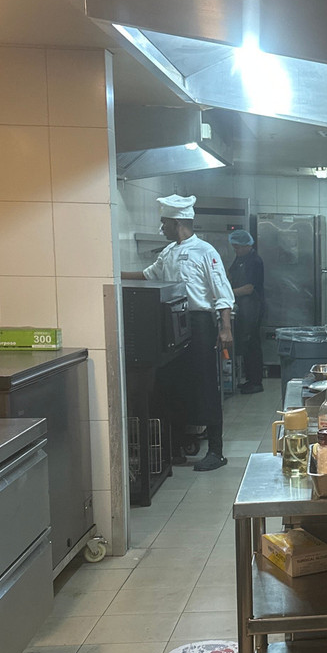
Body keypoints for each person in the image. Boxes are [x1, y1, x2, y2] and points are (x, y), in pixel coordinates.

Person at [122, 195, 235, 472]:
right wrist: (114, 275)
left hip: (199, 322)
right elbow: (148, 275)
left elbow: (222, 291)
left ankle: (216, 451)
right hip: (173, 323)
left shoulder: (205, 251)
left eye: (164, 223)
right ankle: (176, 448)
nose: (161, 228)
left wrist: (225, 328)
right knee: (171, 384)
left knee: (206, 384)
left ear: (177, 222)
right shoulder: (168, 252)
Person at [226, 229, 265, 395]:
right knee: (246, 343)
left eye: (238, 247)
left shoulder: (254, 261)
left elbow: (249, 288)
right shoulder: (241, 258)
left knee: (251, 343)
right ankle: (250, 380)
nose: (236, 250)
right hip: (243, 306)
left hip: (253, 306)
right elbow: (231, 274)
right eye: (234, 248)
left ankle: (256, 382)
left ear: (247, 245)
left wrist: (228, 293)